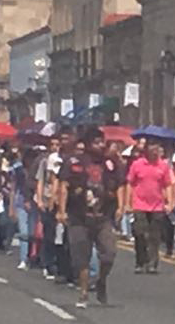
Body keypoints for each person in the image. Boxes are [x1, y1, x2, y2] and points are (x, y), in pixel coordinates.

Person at [58, 127, 125, 308]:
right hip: (79, 216)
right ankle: (84, 293)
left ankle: (101, 280)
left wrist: (121, 206)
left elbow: (120, 184)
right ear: (87, 144)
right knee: (82, 257)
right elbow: (63, 185)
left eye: (102, 141)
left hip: (103, 216)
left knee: (109, 253)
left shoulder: (110, 163)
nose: (101, 145)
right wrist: (61, 210)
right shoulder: (74, 162)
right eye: (96, 142)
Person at [127, 137, 174, 274]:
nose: (155, 151)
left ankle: (153, 263)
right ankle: (140, 261)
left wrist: (170, 202)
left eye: (157, 148)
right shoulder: (137, 164)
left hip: (157, 205)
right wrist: (128, 203)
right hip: (140, 204)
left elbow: (167, 185)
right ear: (146, 149)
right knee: (140, 233)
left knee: (155, 236)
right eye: (152, 148)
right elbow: (130, 183)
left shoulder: (163, 166)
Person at [37, 136, 64, 279]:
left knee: (60, 235)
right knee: (49, 234)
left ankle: (59, 264)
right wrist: (40, 200)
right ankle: (47, 264)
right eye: (52, 144)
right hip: (48, 201)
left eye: (57, 144)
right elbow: (41, 181)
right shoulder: (44, 162)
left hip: (61, 202)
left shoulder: (63, 161)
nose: (55, 147)